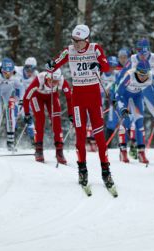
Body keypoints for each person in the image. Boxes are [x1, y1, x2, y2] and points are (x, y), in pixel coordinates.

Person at [46, 24, 115, 190]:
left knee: (99, 136)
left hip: (93, 98)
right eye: (74, 40)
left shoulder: (95, 49)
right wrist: (50, 64)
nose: (76, 44)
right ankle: (82, 169)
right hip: (78, 98)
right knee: (80, 135)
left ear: (87, 40)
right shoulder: (69, 50)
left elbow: (106, 67)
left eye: (79, 41)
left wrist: (98, 65)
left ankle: (105, 170)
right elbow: (55, 64)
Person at [116, 60, 154, 164]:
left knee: (139, 122)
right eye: (140, 74)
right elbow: (118, 94)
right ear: (136, 72)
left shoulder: (151, 77)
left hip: (137, 97)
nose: (142, 77)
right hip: (125, 97)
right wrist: (122, 108)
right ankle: (123, 151)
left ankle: (141, 152)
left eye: (145, 75)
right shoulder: (129, 75)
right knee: (126, 121)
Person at [23, 69, 73, 163]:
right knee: (40, 119)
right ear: (47, 78)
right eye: (51, 81)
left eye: (56, 82)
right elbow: (27, 96)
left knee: (56, 121)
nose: (53, 84)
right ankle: (39, 149)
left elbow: (69, 98)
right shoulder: (39, 79)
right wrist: (26, 113)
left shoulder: (61, 80)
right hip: (37, 97)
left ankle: (59, 150)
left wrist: (71, 114)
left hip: (52, 96)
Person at [0, 57, 23, 151]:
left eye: (9, 73)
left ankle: (10, 141)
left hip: (10, 90)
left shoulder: (18, 73)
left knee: (11, 112)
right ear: (1, 70)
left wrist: (19, 100)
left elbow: (20, 88)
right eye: (5, 73)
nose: (7, 75)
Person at [15, 57, 39, 145]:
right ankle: (12, 138)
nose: (29, 72)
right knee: (14, 115)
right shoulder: (18, 71)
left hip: (27, 100)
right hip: (17, 98)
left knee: (28, 117)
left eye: (32, 69)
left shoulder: (36, 75)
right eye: (27, 68)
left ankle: (33, 140)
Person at [102, 55, 119, 148]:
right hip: (100, 98)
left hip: (111, 99)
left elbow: (117, 86)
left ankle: (108, 145)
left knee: (112, 119)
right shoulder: (101, 73)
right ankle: (91, 140)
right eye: (110, 66)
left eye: (114, 66)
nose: (112, 68)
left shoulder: (116, 74)